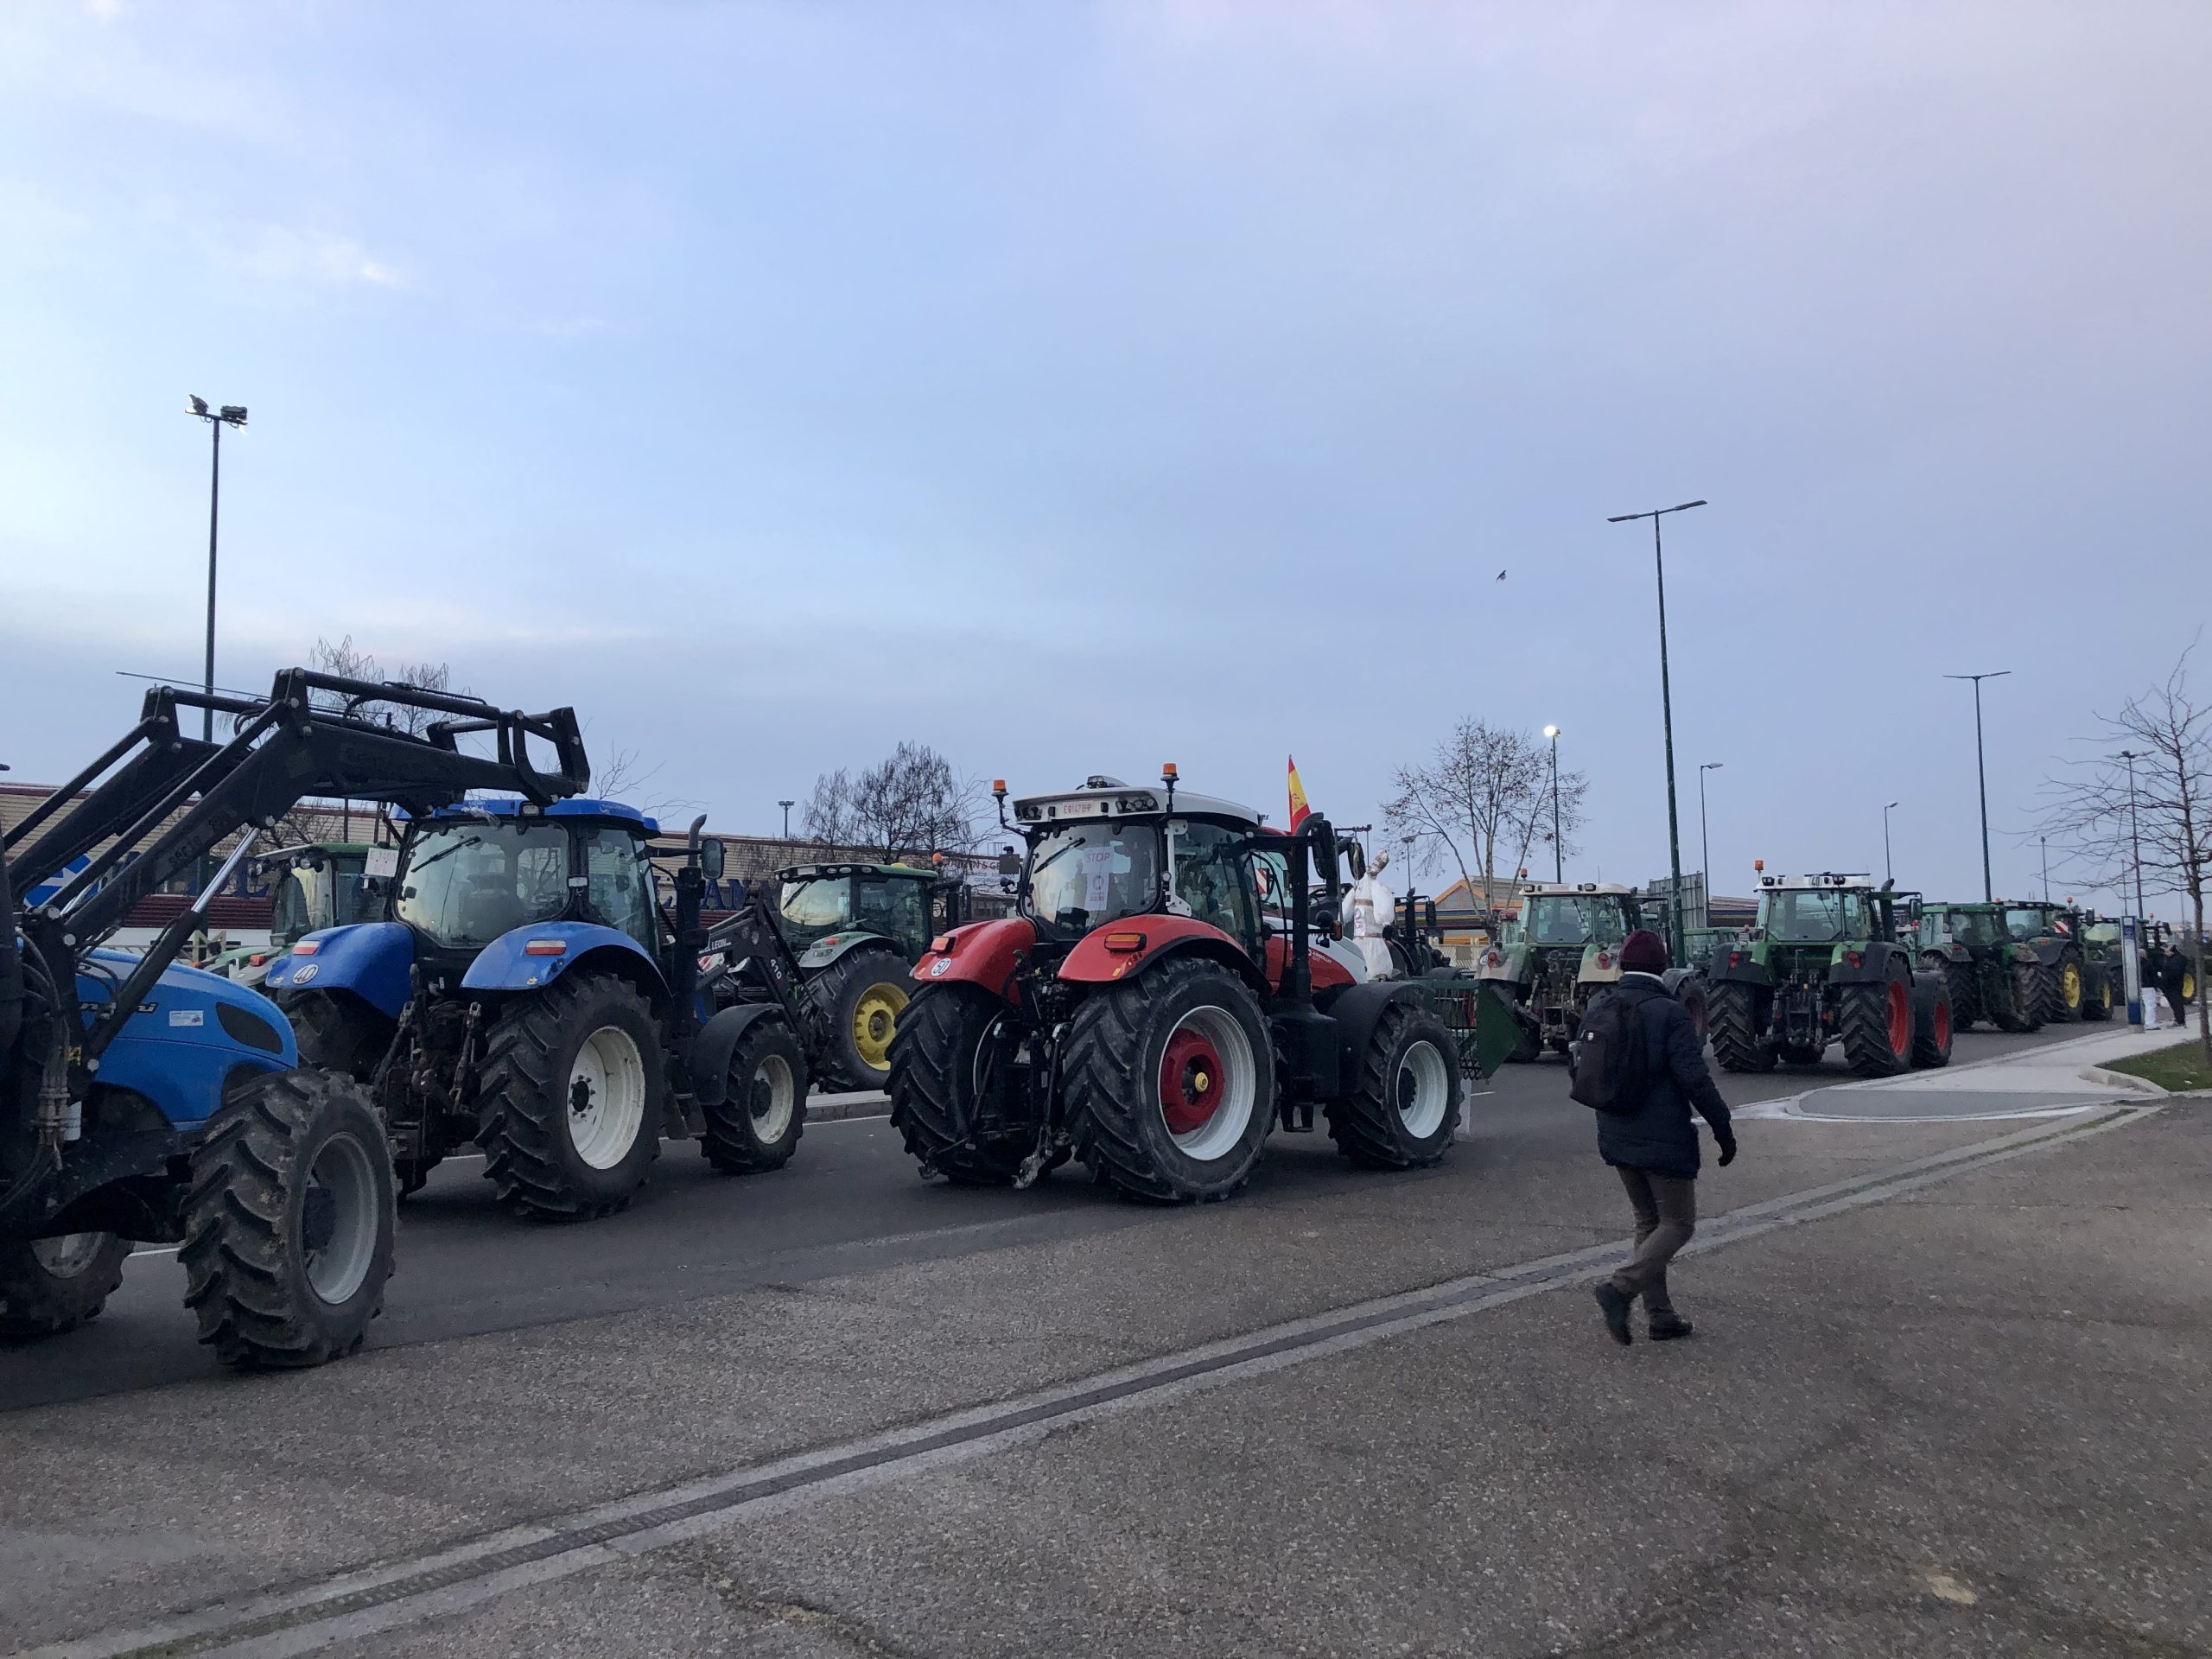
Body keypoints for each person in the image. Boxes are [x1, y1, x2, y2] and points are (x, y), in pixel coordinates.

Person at [1589, 929, 1737, 1345]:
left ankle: (1661, 1316)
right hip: (1663, 1138)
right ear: (1662, 967)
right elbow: (1696, 1079)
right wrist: (1723, 1129)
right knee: (1679, 1223)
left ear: (1622, 966)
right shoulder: (1670, 1013)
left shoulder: (1600, 1006)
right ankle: (1618, 1289)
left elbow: (1579, 1067)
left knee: (1649, 1222)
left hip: (1615, 1133)